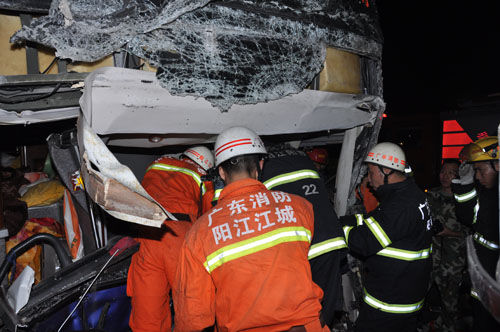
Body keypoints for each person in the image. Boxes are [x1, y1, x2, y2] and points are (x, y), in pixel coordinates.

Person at [173, 126, 328, 332]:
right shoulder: (299, 207)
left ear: (221, 172)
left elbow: (193, 315)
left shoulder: (200, 232)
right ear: (260, 165)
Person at [339, 142, 433, 332]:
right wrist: (346, 220)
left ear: (385, 172)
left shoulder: (399, 205)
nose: (368, 179)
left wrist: (333, 228)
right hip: (406, 293)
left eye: (371, 173)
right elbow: (378, 221)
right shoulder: (410, 195)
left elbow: (363, 242)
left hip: (390, 303)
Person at [126, 146, 214, 332]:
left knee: (147, 313)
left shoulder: (156, 165)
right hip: (178, 236)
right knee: (192, 308)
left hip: (146, 233)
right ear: (207, 166)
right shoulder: (202, 177)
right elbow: (209, 219)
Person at [260, 144, 347, 329]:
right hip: (331, 242)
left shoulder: (262, 167)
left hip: (300, 247)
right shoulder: (303, 161)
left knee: (298, 311)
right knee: (323, 311)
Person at [451, 136, 499, 331]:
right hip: (483, 281)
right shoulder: (487, 194)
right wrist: (465, 185)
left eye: (480, 170)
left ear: (498, 164)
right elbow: (468, 217)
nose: (477, 176)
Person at [427, 159, 469, 331]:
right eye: (443, 171)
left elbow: (473, 233)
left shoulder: (464, 199)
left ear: (458, 176)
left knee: (450, 303)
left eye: (450, 172)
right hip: (430, 259)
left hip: (453, 262)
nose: (445, 176)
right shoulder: (430, 195)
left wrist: (449, 233)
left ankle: (449, 326)